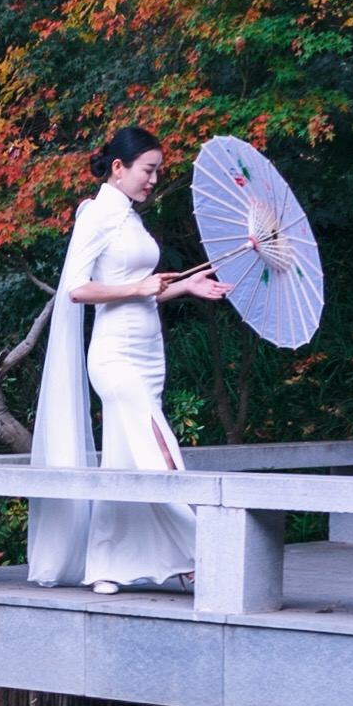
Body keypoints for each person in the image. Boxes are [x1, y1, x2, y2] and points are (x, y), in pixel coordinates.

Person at [27, 126, 228, 593]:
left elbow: (145, 293)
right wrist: (141, 286)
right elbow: (77, 290)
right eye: (148, 170)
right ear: (119, 168)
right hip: (114, 355)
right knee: (157, 447)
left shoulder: (132, 219)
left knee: (123, 458)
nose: (155, 179)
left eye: (158, 171)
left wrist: (184, 286)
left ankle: (106, 565)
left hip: (148, 353)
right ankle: (203, 551)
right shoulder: (96, 215)